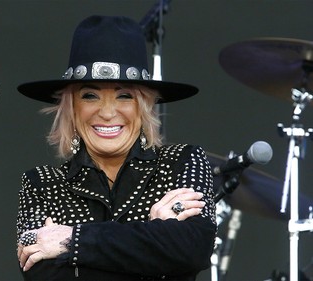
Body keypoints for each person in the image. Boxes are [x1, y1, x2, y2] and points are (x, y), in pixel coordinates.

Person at [16, 15, 216, 281]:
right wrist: (155, 235)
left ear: (143, 106)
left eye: (124, 95)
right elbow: (43, 272)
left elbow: (195, 249)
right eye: (90, 95)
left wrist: (71, 240)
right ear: (71, 108)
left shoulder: (182, 161)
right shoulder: (41, 183)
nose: (108, 112)